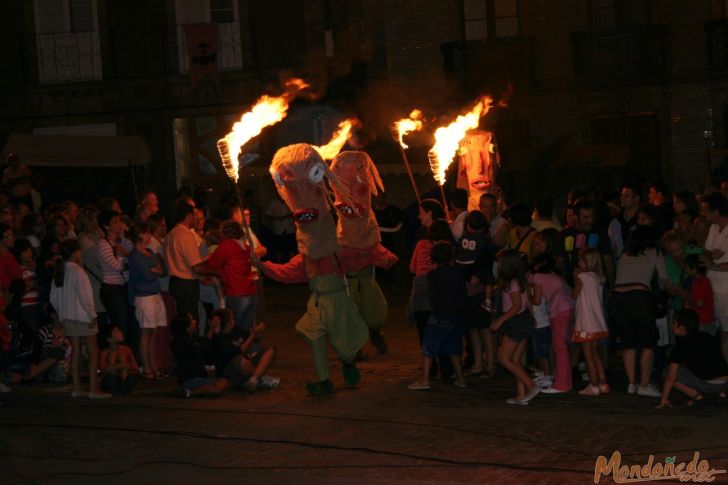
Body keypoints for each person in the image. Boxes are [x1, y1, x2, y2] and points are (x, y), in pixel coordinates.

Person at [610, 225, 667, 397]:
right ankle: (644, 384)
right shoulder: (654, 252)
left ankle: (631, 383)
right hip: (639, 296)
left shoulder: (626, 255)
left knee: (629, 342)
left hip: (617, 298)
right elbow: (663, 278)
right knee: (648, 343)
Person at [49, 240, 110, 398]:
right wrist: (92, 315)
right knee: (92, 350)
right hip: (82, 316)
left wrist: (61, 314)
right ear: (75, 252)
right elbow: (85, 297)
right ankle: (93, 388)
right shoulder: (78, 271)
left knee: (75, 351)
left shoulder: (60, 270)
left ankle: (76, 387)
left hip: (67, 317)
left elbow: (53, 297)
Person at [408, 241, 468, 390]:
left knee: (429, 348)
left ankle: (425, 379)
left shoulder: (432, 275)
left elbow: (433, 297)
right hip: (455, 315)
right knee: (455, 348)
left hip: (439, 315)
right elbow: (462, 293)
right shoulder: (458, 273)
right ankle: (460, 378)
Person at [489, 250, 540, 405]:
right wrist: (532, 316)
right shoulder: (522, 279)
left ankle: (531, 386)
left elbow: (516, 306)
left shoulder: (513, 282)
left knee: (504, 358)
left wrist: (499, 321)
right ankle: (521, 394)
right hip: (523, 320)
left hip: (516, 321)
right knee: (515, 359)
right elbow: (527, 301)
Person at [656, 309, 728, 408]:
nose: (671, 326)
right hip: (725, 383)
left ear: (682, 327)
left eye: (673, 323)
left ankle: (697, 396)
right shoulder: (707, 336)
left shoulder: (681, 346)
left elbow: (670, 377)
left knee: (667, 372)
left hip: (709, 384)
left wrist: (663, 400)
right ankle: (722, 394)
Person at [455, 210, 497, 377]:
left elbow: (483, 269)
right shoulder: (482, 241)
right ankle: (479, 363)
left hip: (479, 292)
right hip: (471, 291)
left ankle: (490, 365)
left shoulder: (477, 242)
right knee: (474, 329)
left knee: (483, 329)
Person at [163, 202, 218, 324]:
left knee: (182, 318)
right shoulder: (185, 235)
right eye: (194, 216)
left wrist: (200, 278)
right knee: (190, 320)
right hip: (186, 284)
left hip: (175, 282)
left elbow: (183, 263)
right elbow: (196, 267)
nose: (197, 219)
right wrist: (218, 272)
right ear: (188, 216)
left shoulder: (170, 234)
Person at [530, 253, 575, 393]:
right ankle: (565, 381)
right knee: (563, 346)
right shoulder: (557, 276)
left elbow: (536, 300)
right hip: (570, 307)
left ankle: (561, 385)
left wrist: (528, 295)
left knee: (559, 347)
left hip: (558, 308)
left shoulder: (538, 277)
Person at [127, 222, 167, 379]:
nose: (150, 236)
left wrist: (156, 270)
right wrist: (156, 270)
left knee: (154, 331)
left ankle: (153, 364)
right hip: (144, 296)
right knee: (146, 332)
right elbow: (146, 275)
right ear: (140, 235)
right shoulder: (134, 255)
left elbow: (163, 270)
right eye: (147, 233)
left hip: (155, 294)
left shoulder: (150, 252)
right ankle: (148, 367)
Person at [203, 220, 257, 332]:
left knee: (233, 329)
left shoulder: (227, 245)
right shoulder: (245, 247)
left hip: (236, 292)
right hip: (251, 292)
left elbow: (211, 263)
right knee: (246, 329)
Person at [209, 308, 278, 392]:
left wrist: (258, 331)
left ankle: (254, 379)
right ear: (227, 323)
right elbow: (241, 351)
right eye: (232, 319)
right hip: (230, 372)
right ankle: (260, 378)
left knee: (270, 350)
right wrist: (253, 335)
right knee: (241, 361)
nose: (233, 321)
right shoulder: (220, 339)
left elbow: (257, 338)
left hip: (246, 365)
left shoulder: (236, 330)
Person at [572, 248, 609, 396]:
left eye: (580, 260)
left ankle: (593, 384)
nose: (578, 263)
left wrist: (575, 279)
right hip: (597, 321)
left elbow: (574, 294)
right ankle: (603, 383)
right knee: (595, 353)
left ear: (587, 262)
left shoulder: (582, 276)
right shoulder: (599, 277)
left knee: (587, 354)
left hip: (585, 322)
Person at [170, 312, 228, 398]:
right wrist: (211, 330)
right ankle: (189, 392)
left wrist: (215, 332)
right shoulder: (182, 341)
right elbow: (201, 349)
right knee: (220, 385)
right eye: (192, 320)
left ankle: (196, 391)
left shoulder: (191, 338)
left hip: (196, 378)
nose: (195, 321)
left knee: (223, 382)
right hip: (190, 380)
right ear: (187, 325)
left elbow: (208, 351)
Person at [96, 209, 132, 342]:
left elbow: (133, 253)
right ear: (106, 226)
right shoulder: (103, 244)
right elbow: (118, 267)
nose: (119, 224)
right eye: (115, 222)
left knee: (128, 322)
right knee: (120, 324)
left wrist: (124, 245)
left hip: (123, 287)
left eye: (120, 221)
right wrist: (124, 256)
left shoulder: (122, 241)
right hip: (112, 289)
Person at [700, 192, 728, 358]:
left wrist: (713, 264)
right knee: (715, 329)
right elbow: (706, 251)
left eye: (706, 210)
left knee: (726, 332)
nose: (703, 214)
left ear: (716, 211)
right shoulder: (714, 228)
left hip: (725, 288)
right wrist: (711, 257)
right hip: (711, 286)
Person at [99, 326, 139, 395]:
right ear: (109, 338)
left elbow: (134, 368)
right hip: (112, 378)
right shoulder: (104, 352)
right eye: (116, 331)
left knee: (132, 378)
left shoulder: (126, 349)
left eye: (119, 330)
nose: (120, 332)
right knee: (111, 377)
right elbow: (103, 368)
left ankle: (122, 388)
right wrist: (121, 365)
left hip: (126, 377)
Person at [683, 254, 716, 336]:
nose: (685, 270)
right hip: (709, 319)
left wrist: (688, 301)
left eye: (686, 267)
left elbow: (700, 303)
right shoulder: (705, 279)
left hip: (702, 320)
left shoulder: (698, 283)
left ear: (694, 269)